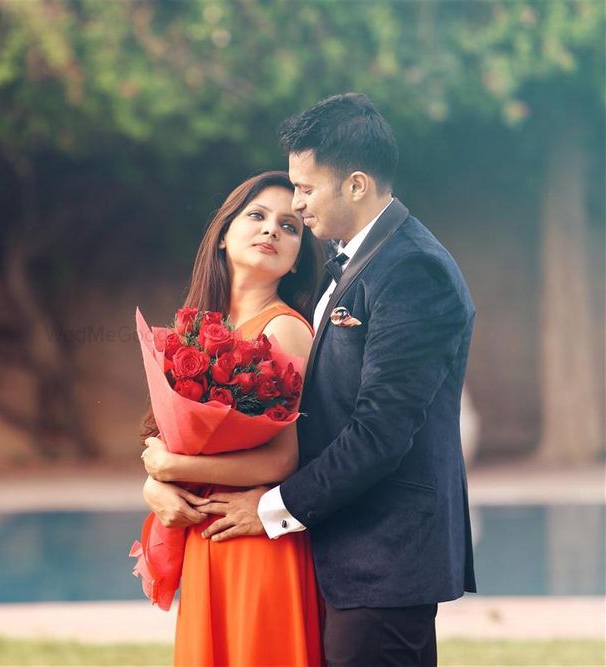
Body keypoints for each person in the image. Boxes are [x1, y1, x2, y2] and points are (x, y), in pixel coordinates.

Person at [197, 93, 477, 667]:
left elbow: (381, 431)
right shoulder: (357, 261)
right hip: (346, 553)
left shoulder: (412, 269)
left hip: (384, 561)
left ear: (355, 184)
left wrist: (271, 508)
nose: (297, 206)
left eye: (305, 188)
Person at [140, 170, 326, 666]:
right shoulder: (201, 330)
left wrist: (172, 470)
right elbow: (172, 443)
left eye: (290, 227)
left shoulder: (285, 330)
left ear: (294, 261)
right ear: (224, 235)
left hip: (256, 539)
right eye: (258, 216)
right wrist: (154, 487)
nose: (272, 231)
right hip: (210, 534)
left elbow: (283, 459)